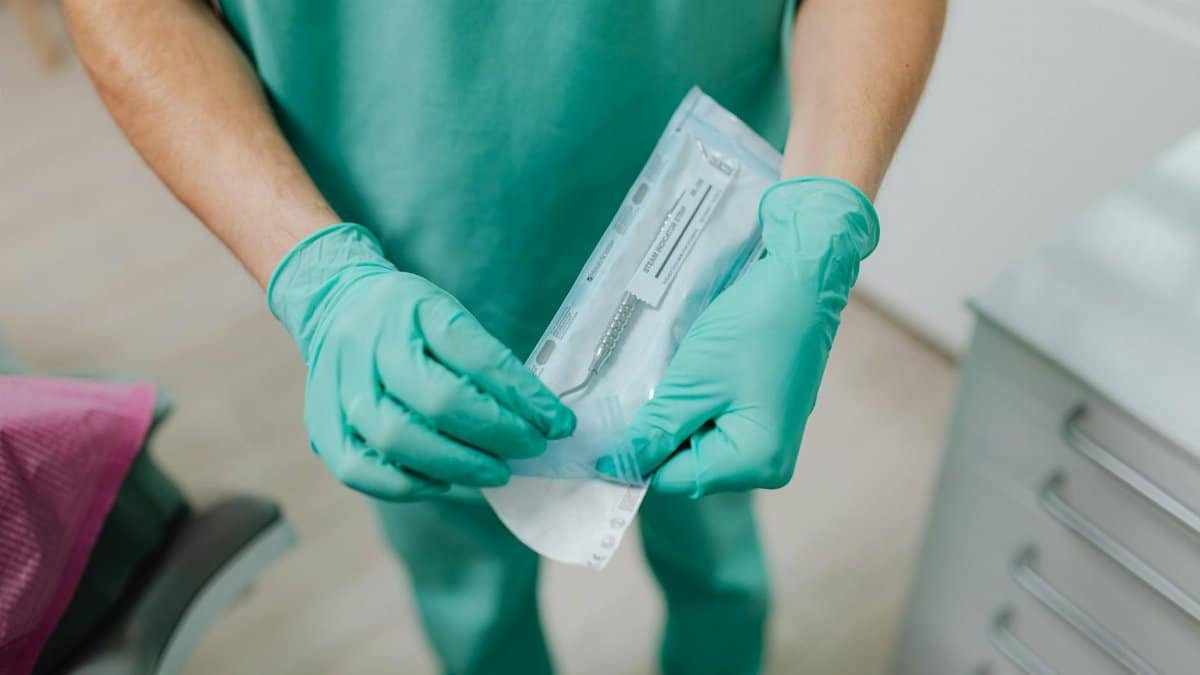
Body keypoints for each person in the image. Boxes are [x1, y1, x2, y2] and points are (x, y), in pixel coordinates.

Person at [64, 1, 945, 672]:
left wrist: (818, 225)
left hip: (704, 276)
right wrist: (317, 277)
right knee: (473, 607)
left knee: (715, 553)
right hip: (409, 314)